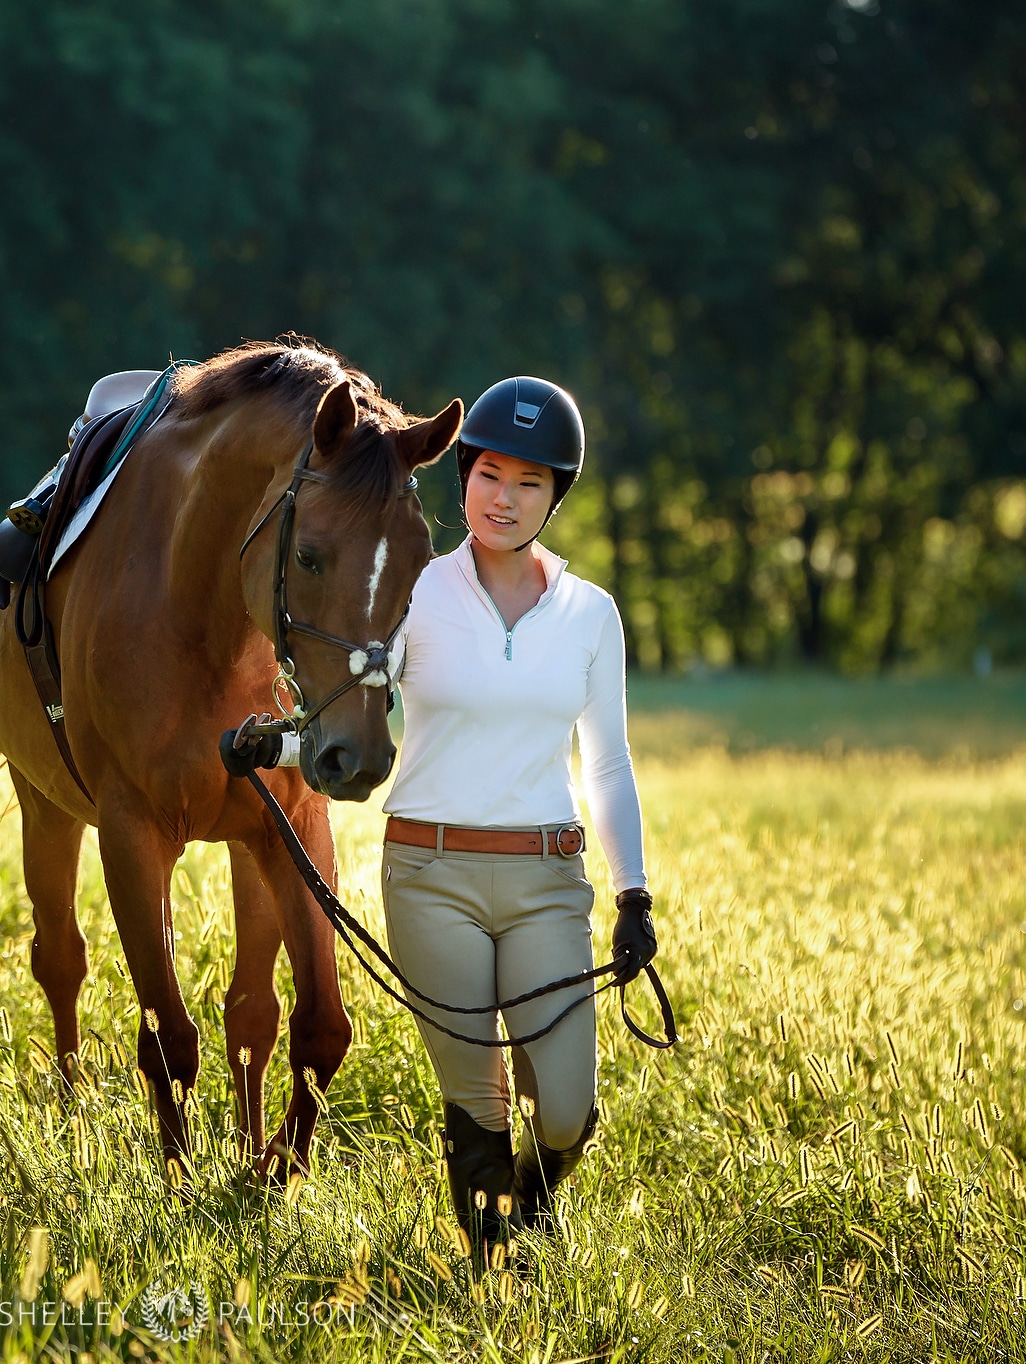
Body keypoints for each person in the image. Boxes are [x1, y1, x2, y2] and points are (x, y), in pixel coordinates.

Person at [380, 376, 658, 1262]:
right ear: (462, 475)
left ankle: (528, 1216)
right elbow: (342, 718)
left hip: (547, 881)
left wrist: (634, 894)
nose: (504, 498)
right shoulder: (411, 593)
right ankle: (496, 1277)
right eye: (489, 474)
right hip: (429, 875)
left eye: (530, 483)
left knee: (568, 1110)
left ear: (556, 496)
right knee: (481, 1105)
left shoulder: (592, 614)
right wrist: (266, 751)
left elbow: (606, 764)